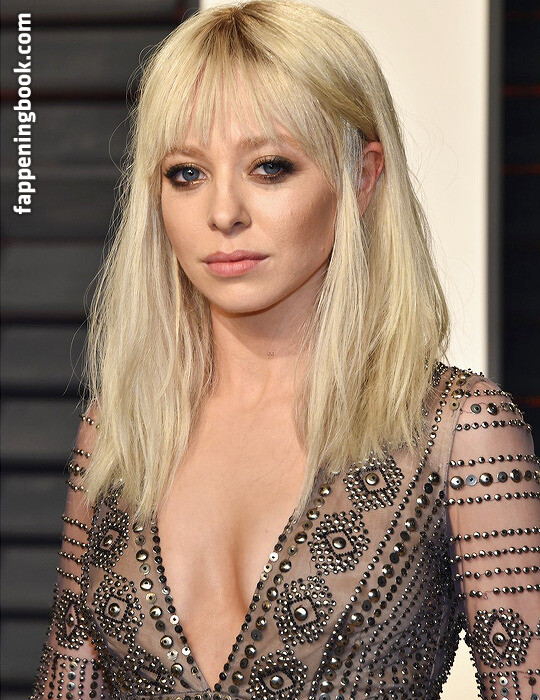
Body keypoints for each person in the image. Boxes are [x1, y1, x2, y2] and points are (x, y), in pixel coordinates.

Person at [30, 1, 540, 699]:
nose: (223, 213)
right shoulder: (122, 426)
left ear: (362, 177)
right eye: (186, 173)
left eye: (270, 167)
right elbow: (66, 684)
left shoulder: (458, 430)